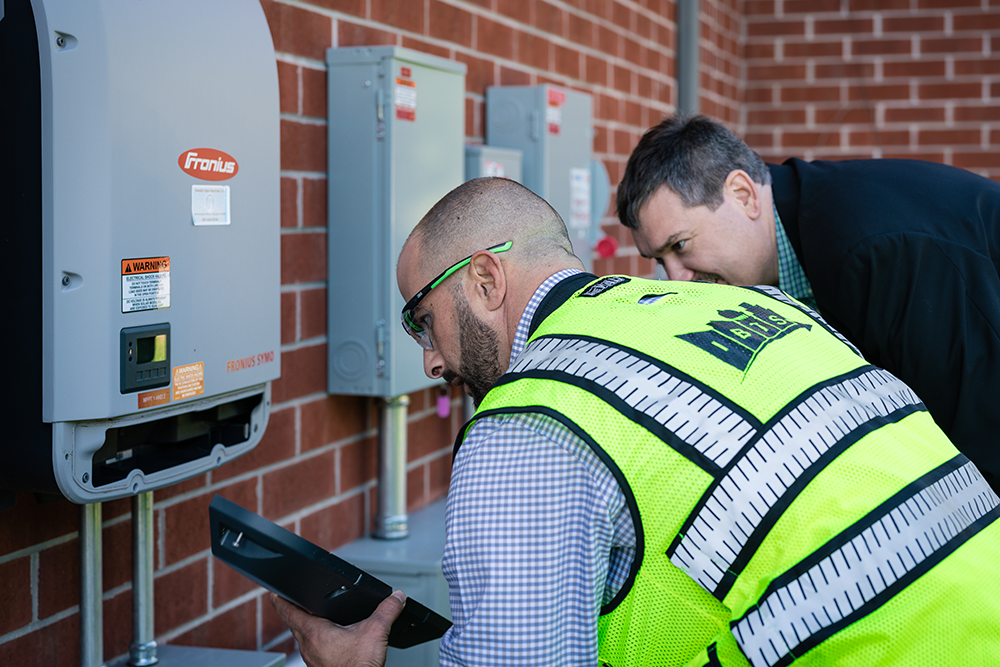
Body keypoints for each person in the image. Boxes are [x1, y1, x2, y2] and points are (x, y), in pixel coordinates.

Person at [273, 177, 1000, 666]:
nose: (430, 360)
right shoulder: (750, 304)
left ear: (486, 280)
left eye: (422, 321)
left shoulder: (526, 419)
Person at [616, 113, 1000, 494]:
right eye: (659, 260)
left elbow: (978, 439)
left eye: (680, 245)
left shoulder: (871, 249)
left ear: (742, 195)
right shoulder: (797, 241)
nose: (676, 278)